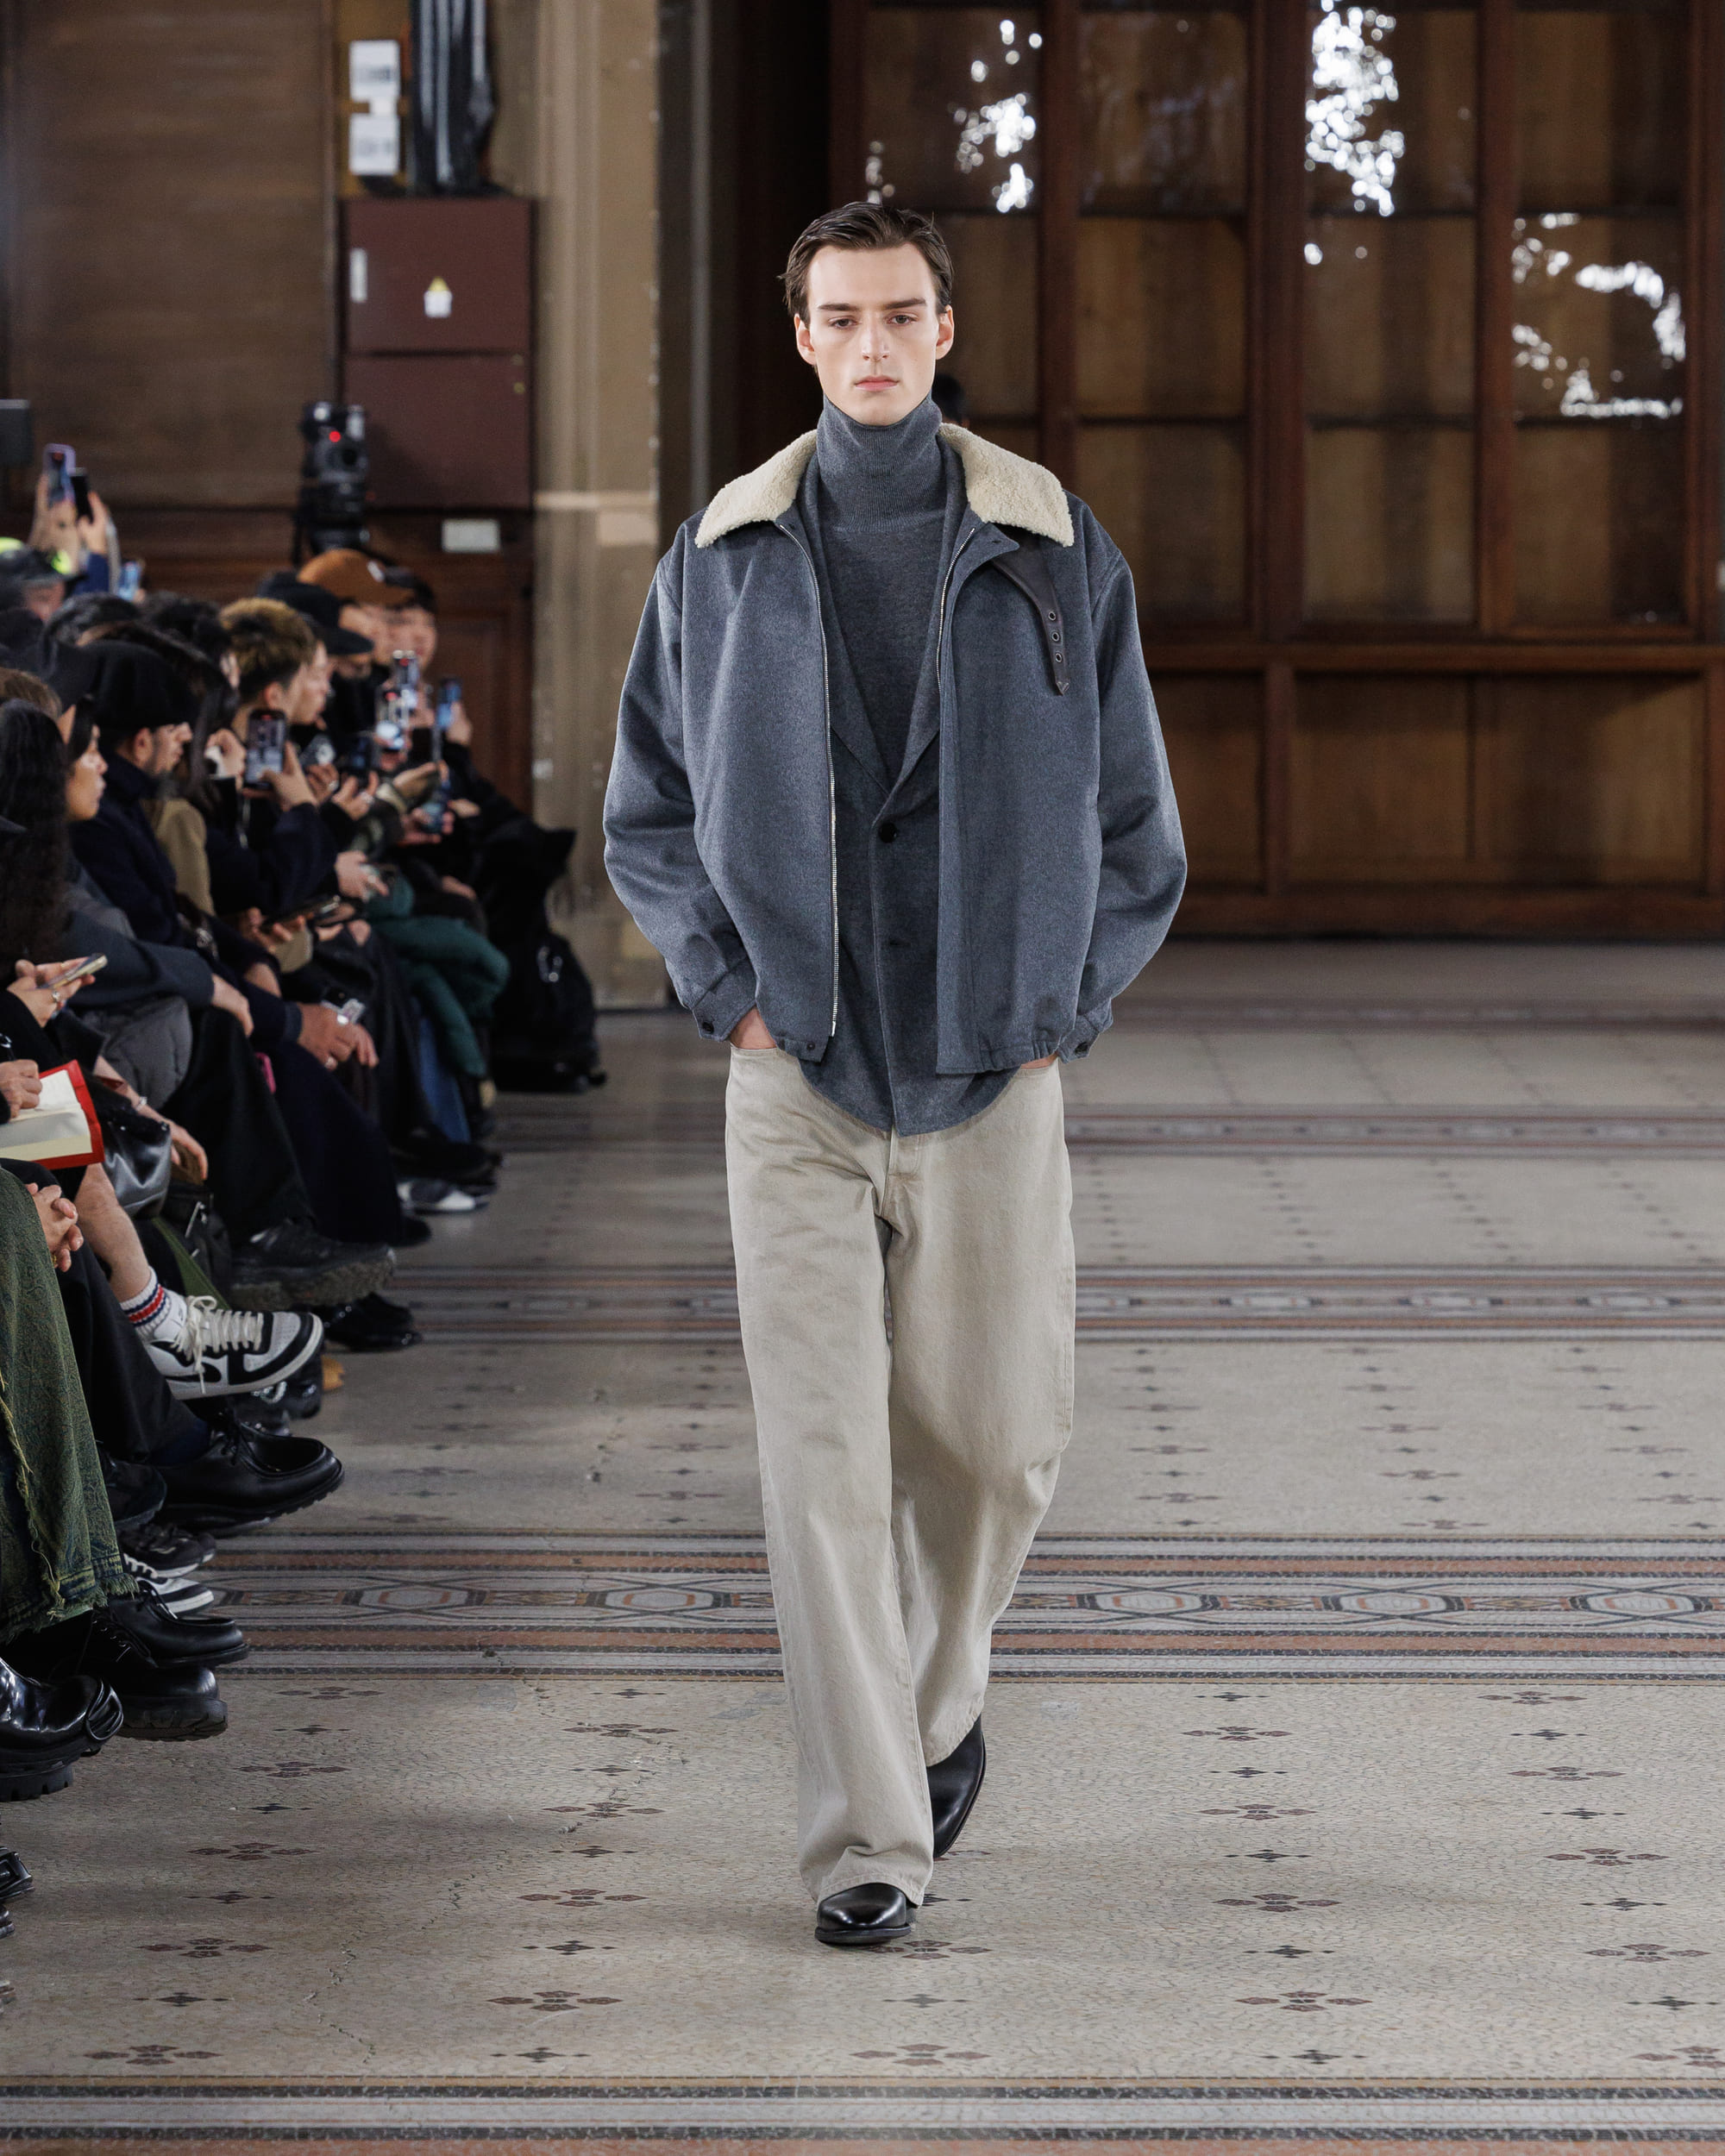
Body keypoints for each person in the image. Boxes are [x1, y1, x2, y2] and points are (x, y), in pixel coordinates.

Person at [605, 202, 1185, 1946]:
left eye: (902, 314)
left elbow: (1135, 819)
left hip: (992, 1063)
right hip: (793, 1073)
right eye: (842, 316)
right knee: (820, 1468)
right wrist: (730, 992)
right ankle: (868, 1837)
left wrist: (1062, 999)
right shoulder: (721, 553)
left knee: (996, 1450)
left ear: (947, 330)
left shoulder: (1051, 544)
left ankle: (937, 1712)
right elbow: (647, 810)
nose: (873, 344)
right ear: (801, 335)